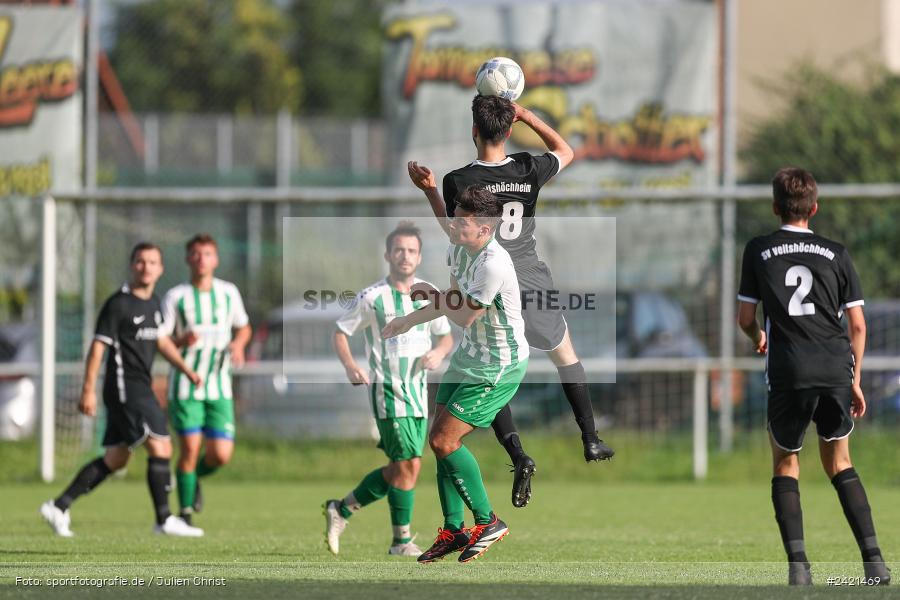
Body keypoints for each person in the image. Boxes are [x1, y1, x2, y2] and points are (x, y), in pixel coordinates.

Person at [408, 94, 613, 508]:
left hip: (488, 278)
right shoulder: (527, 168)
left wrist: (430, 190)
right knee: (565, 355)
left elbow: (454, 232)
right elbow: (566, 150)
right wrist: (527, 114)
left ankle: (518, 454)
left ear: (474, 132)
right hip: (529, 276)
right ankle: (590, 438)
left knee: (486, 363)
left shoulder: (458, 181)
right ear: (509, 128)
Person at [737, 167, 891, 586]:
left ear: (775, 207)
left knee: (787, 463)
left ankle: (799, 570)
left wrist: (758, 336)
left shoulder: (759, 249)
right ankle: (875, 564)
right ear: (814, 208)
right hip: (834, 367)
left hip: (789, 369)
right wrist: (854, 378)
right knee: (839, 461)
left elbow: (746, 318)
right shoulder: (836, 252)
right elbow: (858, 326)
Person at [382, 186, 527, 563]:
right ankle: (453, 529)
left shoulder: (494, 263)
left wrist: (431, 295)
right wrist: (407, 321)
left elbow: (463, 315)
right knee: (439, 440)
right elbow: (453, 300)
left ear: (485, 228)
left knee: (445, 441)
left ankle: (488, 521)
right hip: (469, 356)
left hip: (498, 364)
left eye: (462, 220)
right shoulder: (458, 247)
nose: (453, 224)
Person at [40, 243, 204, 537]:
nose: (146, 267)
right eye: (140, 261)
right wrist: (87, 390)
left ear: (161, 269)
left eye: (152, 262)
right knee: (161, 445)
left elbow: (162, 341)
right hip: (124, 387)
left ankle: (59, 505)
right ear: (132, 265)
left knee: (117, 458)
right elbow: (97, 347)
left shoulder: (154, 302)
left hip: (138, 386)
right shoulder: (118, 304)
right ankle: (164, 519)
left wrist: (186, 369)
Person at [323, 222, 453, 557]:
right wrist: (351, 366)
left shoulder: (430, 295)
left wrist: (438, 353)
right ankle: (401, 542)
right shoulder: (372, 297)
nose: (405, 256)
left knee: (405, 467)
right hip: (388, 393)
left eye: (411, 250)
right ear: (388, 255)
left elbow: (446, 335)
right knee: (407, 462)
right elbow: (340, 332)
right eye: (399, 250)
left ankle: (342, 508)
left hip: (418, 394)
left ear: (419, 256)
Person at [159, 234, 252, 526]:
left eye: (208, 254)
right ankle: (185, 515)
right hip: (186, 385)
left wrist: (238, 345)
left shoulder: (228, 293)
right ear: (188, 259)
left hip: (219, 386)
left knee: (221, 455)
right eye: (196, 254)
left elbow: (244, 328)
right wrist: (180, 339)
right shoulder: (176, 296)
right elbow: (162, 340)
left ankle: (193, 477)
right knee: (189, 448)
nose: (202, 259)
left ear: (216, 259)